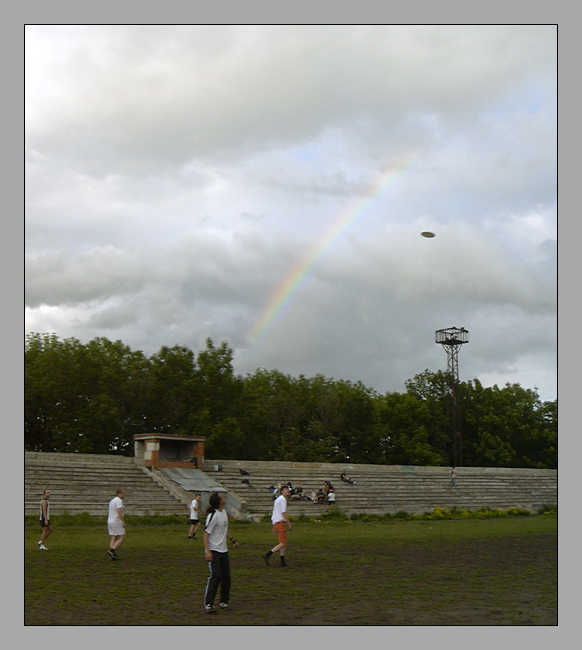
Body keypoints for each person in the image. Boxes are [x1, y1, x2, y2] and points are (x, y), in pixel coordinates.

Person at [203, 492, 239, 614]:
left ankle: (224, 601)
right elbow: (206, 534)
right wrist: (208, 552)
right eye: (222, 497)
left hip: (223, 550)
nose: (224, 499)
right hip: (214, 550)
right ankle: (208, 604)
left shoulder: (223, 513)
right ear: (218, 501)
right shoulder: (213, 515)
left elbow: (224, 529)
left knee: (226, 577)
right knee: (216, 576)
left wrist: (232, 539)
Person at [262, 484, 292, 567]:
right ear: (282, 491)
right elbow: (283, 512)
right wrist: (289, 523)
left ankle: (282, 561)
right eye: (286, 489)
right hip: (279, 522)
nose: (288, 490)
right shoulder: (282, 499)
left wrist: (274, 525)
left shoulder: (279, 499)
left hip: (277, 522)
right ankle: (267, 555)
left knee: (283, 542)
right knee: (282, 543)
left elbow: (275, 512)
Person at [107, 488, 126, 561]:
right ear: (119, 493)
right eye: (123, 493)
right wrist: (123, 521)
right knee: (122, 537)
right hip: (116, 521)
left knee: (113, 537)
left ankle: (112, 554)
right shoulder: (119, 501)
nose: (124, 495)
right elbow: (119, 512)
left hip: (110, 521)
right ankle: (112, 550)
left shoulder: (112, 501)